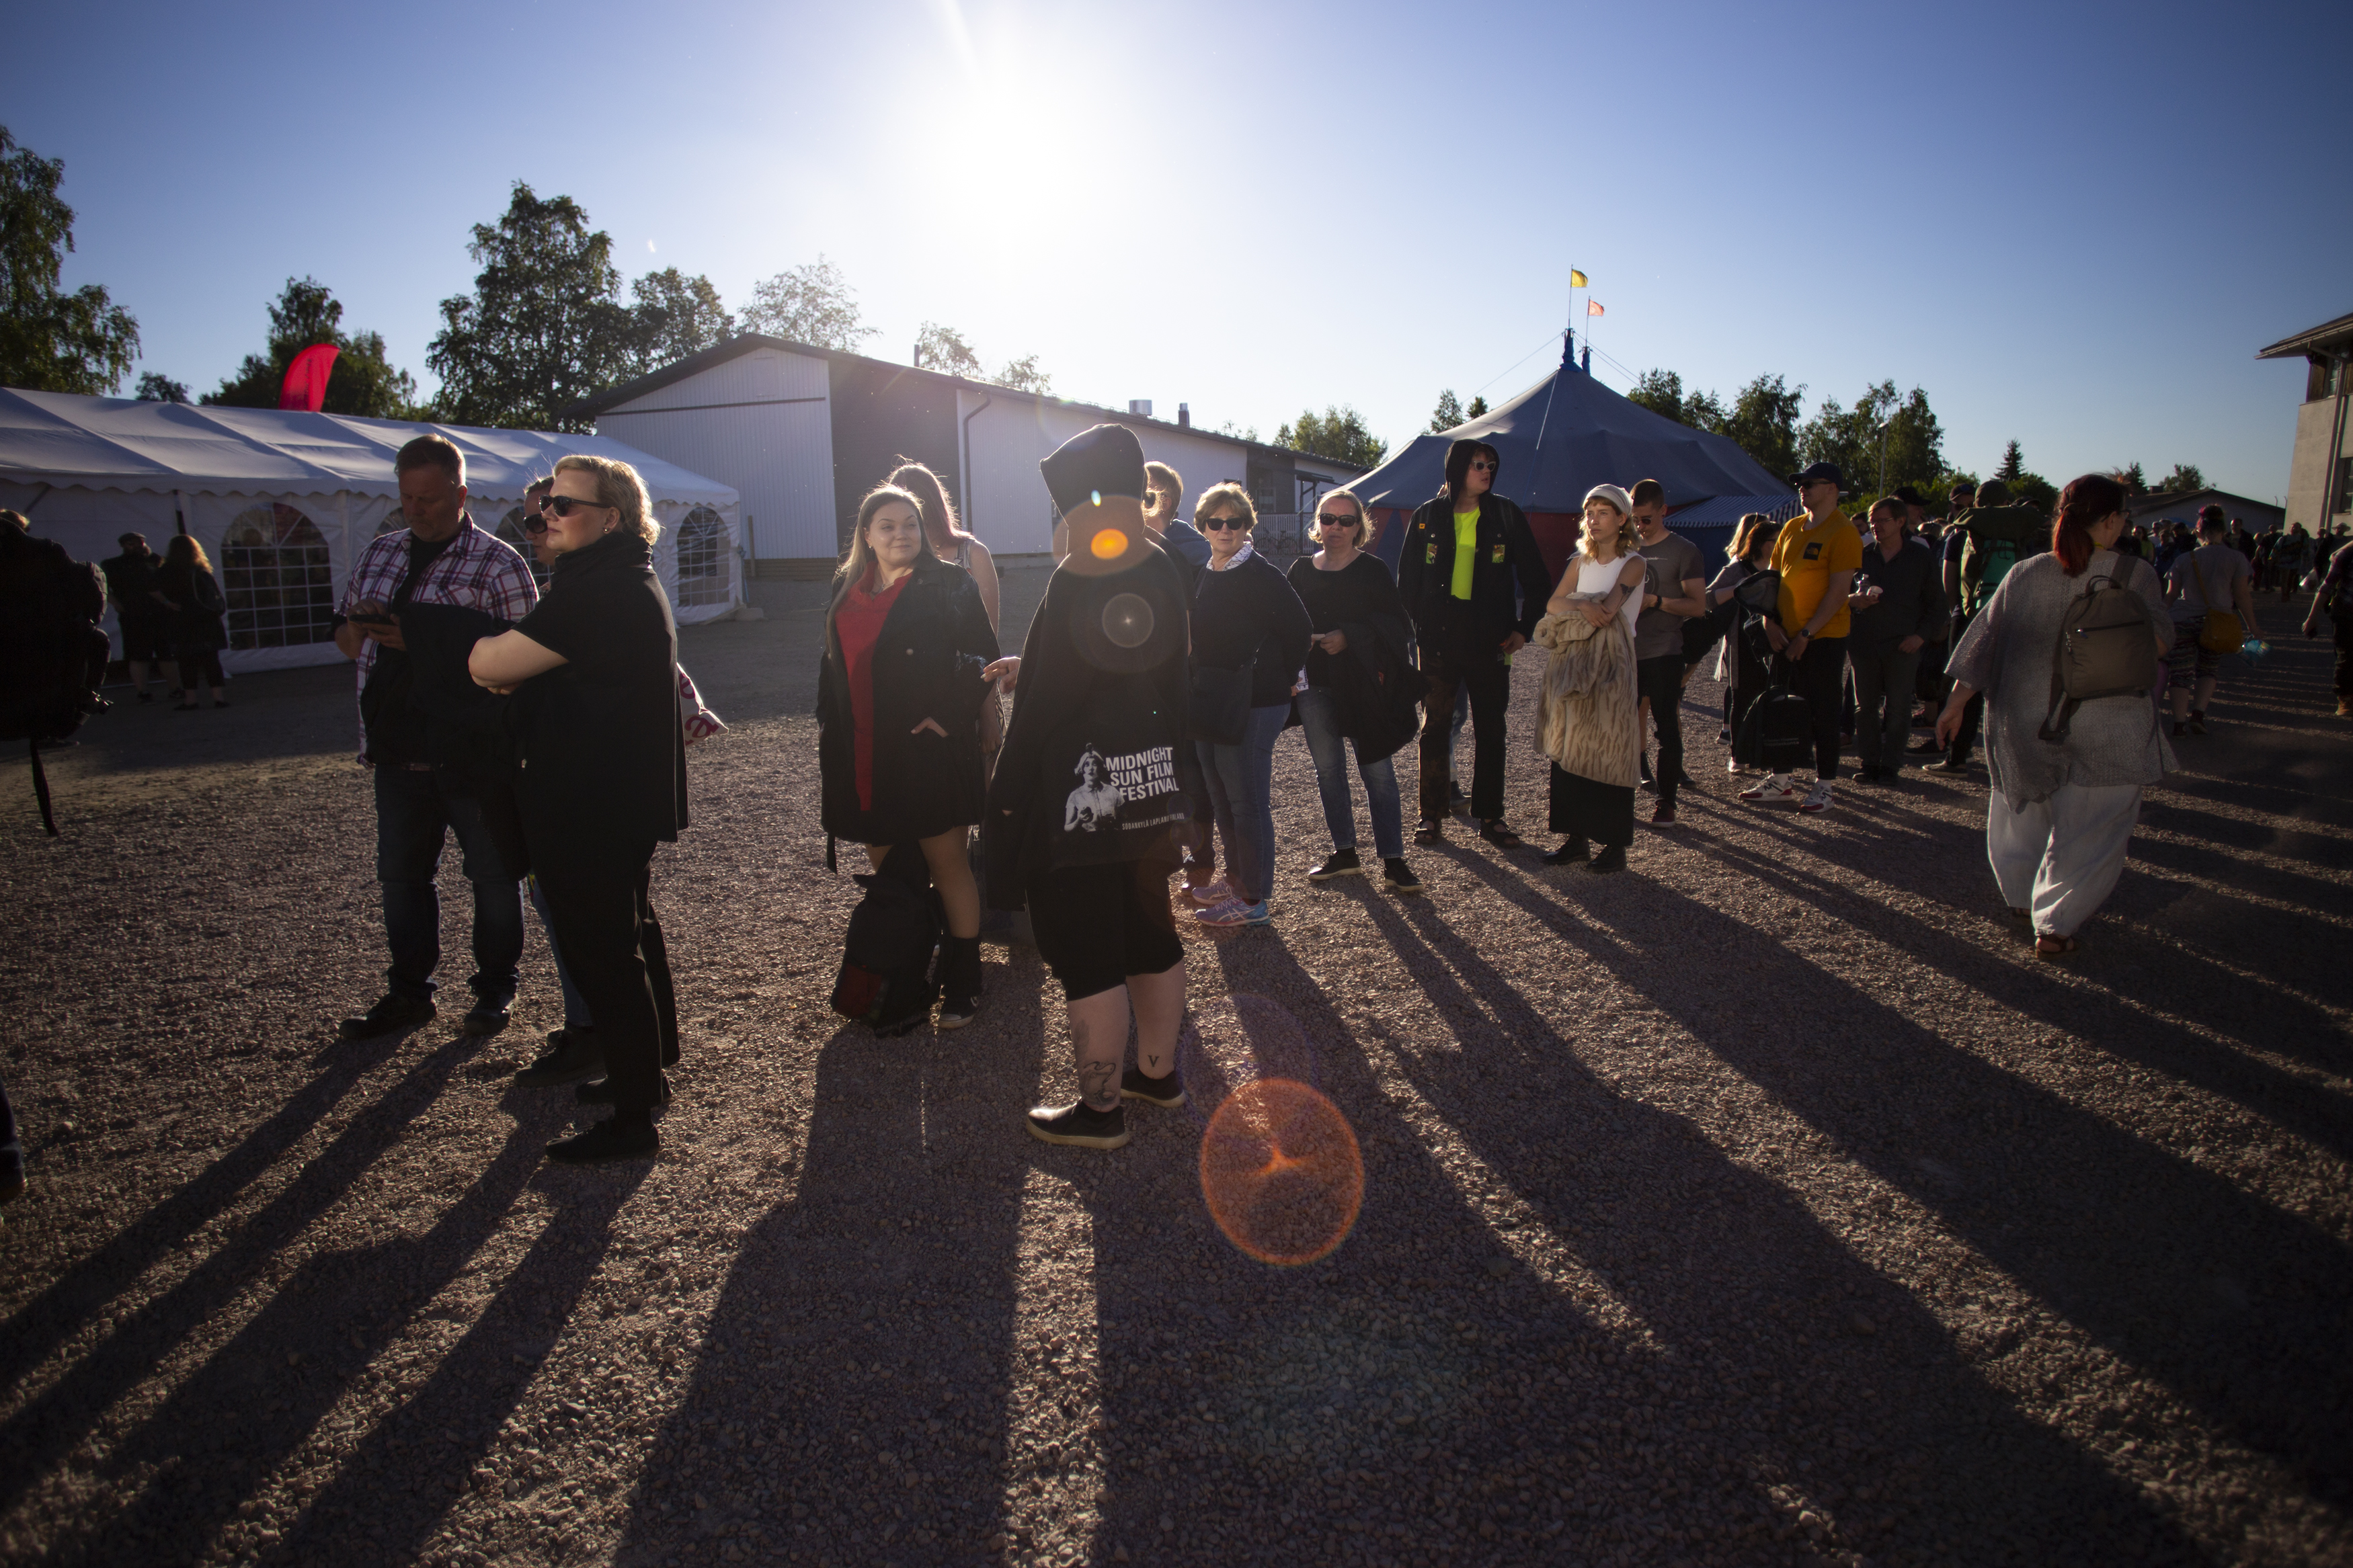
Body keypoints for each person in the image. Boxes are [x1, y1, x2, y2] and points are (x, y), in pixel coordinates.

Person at [469, 455, 688, 1163]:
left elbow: (490, 665)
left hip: (590, 799)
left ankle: (634, 1117)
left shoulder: (596, 588)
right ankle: (642, 1081)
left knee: (604, 951)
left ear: (610, 517)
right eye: (541, 511)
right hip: (611, 794)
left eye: (562, 506)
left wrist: (481, 655)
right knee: (626, 935)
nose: (546, 519)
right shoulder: (619, 576)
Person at [986, 423, 1192, 1151]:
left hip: (1080, 795)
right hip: (1151, 788)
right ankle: (1157, 1074)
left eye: (1062, 503)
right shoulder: (1162, 562)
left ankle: (1100, 1110)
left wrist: (1003, 796)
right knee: (1148, 930)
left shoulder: (1079, 574)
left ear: (1085, 501)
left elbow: (1041, 708)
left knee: (1084, 948)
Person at [333, 435, 540, 1043]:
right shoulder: (379, 555)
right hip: (397, 748)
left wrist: (428, 637)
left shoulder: (499, 562)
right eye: (407, 498)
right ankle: (408, 993)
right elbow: (345, 644)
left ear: (460, 493)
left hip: (471, 749)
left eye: (428, 498)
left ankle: (495, 988)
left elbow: (524, 655)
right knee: (401, 876)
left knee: (494, 875)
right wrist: (366, 629)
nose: (416, 509)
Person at [1939, 474, 2173, 958]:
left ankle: (2022, 899)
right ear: (2109, 521)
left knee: (2020, 812)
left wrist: (1956, 704)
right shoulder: (2135, 573)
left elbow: (1982, 643)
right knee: (2094, 826)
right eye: (2122, 516)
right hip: (2110, 721)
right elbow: (2161, 642)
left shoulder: (2025, 573)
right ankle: (2056, 923)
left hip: (2026, 719)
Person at [817, 481, 1002, 1026]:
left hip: (929, 750)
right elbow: (830, 665)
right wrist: (832, 730)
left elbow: (982, 657)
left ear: (924, 530)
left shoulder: (950, 583)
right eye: (888, 525)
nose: (901, 534)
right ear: (867, 536)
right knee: (895, 872)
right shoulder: (846, 586)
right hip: (866, 753)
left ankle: (965, 981)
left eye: (910, 524)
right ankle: (909, 973)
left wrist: (946, 717)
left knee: (947, 865)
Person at [1395, 438, 1553, 848]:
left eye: (1491, 465)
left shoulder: (1506, 515)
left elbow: (1538, 581)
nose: (1486, 471)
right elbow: (1407, 583)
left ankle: (1491, 817)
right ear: (1457, 467)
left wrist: (1524, 628)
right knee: (1435, 729)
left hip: (1491, 643)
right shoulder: (1427, 516)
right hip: (1438, 643)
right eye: (1478, 464)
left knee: (1491, 729)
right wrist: (1418, 630)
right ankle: (1430, 816)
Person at [1187, 481, 1313, 927]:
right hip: (1214, 698)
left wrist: (1283, 678)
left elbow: (1299, 628)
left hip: (1255, 702)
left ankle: (1254, 899)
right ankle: (1236, 878)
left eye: (1234, 521)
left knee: (1247, 802)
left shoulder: (1260, 575)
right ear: (1203, 527)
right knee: (1221, 797)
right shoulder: (1208, 571)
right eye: (1216, 521)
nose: (1225, 528)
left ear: (1247, 526)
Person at [1286, 489, 1420, 894]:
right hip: (1315, 685)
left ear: (1360, 526)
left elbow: (1399, 629)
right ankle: (1345, 852)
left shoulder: (1373, 571)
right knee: (1328, 770)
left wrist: (1351, 636)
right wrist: (1299, 644)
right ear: (1317, 524)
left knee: (1376, 769)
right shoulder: (1301, 570)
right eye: (1328, 519)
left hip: (1363, 685)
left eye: (1346, 520)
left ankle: (1394, 860)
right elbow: (1283, 624)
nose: (1336, 528)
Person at [1536, 486, 1648, 871]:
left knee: (1610, 746)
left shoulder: (1634, 563)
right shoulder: (1579, 561)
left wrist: (1580, 605)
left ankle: (1615, 844)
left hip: (1613, 663)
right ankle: (1576, 838)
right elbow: (1553, 603)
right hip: (1572, 662)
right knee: (1571, 745)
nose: (1594, 519)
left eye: (1604, 512)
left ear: (1622, 519)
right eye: (1590, 512)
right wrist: (1582, 604)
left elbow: (1610, 609)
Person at [1741, 462, 1862, 813]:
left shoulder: (1843, 532)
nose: (1802, 488)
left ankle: (1825, 786)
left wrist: (1807, 634)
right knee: (1781, 706)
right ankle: (1781, 780)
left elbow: (1839, 593)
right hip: (1784, 635)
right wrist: (1768, 621)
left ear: (1832, 490)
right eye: (1800, 483)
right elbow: (1772, 581)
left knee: (1823, 711)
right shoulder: (1792, 527)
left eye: (1811, 483)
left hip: (1823, 638)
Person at [1846, 497, 1949, 783]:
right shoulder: (1862, 555)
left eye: (1882, 520)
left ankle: (1891, 765)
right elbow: (1839, 594)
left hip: (1903, 644)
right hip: (1864, 643)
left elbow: (1938, 606)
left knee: (1899, 708)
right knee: (1865, 707)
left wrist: (1920, 637)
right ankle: (1869, 763)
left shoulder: (1920, 558)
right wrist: (1854, 601)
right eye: (1873, 520)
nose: (1875, 526)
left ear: (1901, 521)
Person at [1625, 478, 1708, 823]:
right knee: (1620, 728)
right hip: (1625, 652)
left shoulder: (1684, 551)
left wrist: (1656, 601)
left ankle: (1666, 801)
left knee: (1666, 728)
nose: (1640, 527)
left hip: (1664, 651)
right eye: (1635, 519)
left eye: (1647, 519)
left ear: (1664, 511)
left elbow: (1698, 607)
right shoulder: (1625, 548)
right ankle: (1619, 798)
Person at [2164, 505, 2262, 738]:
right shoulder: (2236, 558)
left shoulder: (2184, 559)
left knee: (2180, 673)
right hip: (2217, 622)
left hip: (2183, 620)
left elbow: (2170, 595)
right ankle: (2198, 714)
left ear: (2198, 532)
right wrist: (2253, 626)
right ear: (2224, 531)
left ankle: (2178, 724)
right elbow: (2241, 596)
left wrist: (2158, 618)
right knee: (2208, 669)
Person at [1708, 513, 1780, 772]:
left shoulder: (1783, 568)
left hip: (1777, 640)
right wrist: (1739, 588)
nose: (1780, 543)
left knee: (1772, 696)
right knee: (1743, 696)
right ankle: (1738, 754)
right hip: (1744, 641)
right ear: (1761, 542)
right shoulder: (1738, 568)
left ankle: (1768, 754)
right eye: (1775, 539)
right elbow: (1709, 599)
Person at [153, 534, 229, 710]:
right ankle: (218, 697)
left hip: (181, 620)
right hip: (207, 620)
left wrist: (167, 603)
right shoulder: (201, 570)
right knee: (212, 661)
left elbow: (151, 589)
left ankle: (191, 699)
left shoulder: (166, 571)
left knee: (186, 662)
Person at [99, 532, 170, 702]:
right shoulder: (113, 565)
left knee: (166, 653)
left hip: (158, 613)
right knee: (139, 655)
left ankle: (175, 688)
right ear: (124, 545)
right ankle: (143, 691)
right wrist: (116, 603)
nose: (137, 546)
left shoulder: (156, 561)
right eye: (132, 544)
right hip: (134, 614)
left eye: (140, 543)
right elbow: (104, 587)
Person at [2305, 531, 2353, 718]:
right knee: (2347, 654)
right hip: (2346, 612)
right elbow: (2326, 587)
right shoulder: (2346, 555)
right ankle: (2345, 697)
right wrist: (2312, 618)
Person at [2273, 523, 2314, 605]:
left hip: (2296, 562)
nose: (2295, 529)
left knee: (2291, 579)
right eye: (2294, 527)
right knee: (2285, 578)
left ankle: (2287, 593)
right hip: (2284, 561)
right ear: (2290, 528)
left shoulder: (2303, 539)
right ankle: (2284, 594)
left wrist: (2306, 561)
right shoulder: (2284, 539)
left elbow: (2306, 551)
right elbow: (2276, 549)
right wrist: (2273, 559)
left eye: (2297, 527)